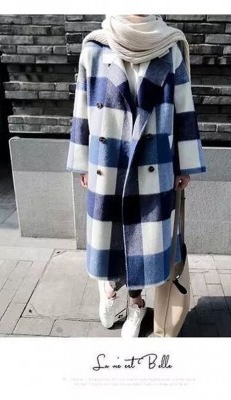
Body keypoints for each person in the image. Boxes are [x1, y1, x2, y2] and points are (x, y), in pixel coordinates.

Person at [66, 14, 206, 337]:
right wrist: (83, 162)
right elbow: (82, 108)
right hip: (108, 162)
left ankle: (137, 304)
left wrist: (183, 165)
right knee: (110, 239)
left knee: (143, 243)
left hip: (152, 163)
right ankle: (109, 291)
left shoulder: (169, 47)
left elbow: (184, 109)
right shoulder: (95, 47)